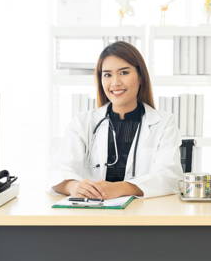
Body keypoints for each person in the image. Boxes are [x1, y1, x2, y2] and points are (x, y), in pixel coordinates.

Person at [52, 41, 183, 199]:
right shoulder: (82, 122)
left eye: (124, 73)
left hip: (142, 215)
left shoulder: (163, 123)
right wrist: (74, 187)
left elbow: (170, 177)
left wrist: (122, 188)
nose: (115, 82)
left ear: (140, 76)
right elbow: (58, 171)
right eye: (107, 74)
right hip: (91, 215)